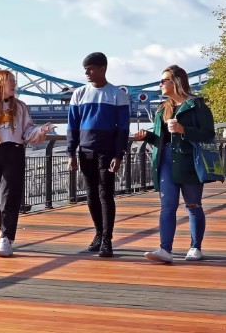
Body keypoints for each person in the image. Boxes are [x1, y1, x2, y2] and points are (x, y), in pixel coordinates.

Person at [0, 70, 55, 257]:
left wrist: (41, 130)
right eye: (10, 81)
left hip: (14, 151)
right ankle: (4, 232)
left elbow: (27, 131)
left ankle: (6, 238)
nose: (14, 84)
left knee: (9, 195)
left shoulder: (20, 107)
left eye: (14, 81)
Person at [132, 65, 214, 263]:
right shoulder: (163, 108)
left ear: (176, 81)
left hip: (189, 160)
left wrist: (183, 129)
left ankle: (195, 247)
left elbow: (208, 134)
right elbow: (160, 140)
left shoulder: (197, 106)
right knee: (167, 206)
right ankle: (165, 249)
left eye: (163, 80)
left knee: (193, 204)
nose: (160, 84)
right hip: (166, 161)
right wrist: (147, 136)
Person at [67, 52, 130, 258]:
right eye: (85, 69)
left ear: (103, 68)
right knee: (91, 194)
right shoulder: (79, 94)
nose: (87, 72)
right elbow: (72, 125)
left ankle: (107, 239)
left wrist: (119, 154)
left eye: (91, 69)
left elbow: (123, 129)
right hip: (85, 151)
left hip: (107, 151)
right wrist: (71, 152)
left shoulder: (117, 94)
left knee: (105, 194)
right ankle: (98, 233)